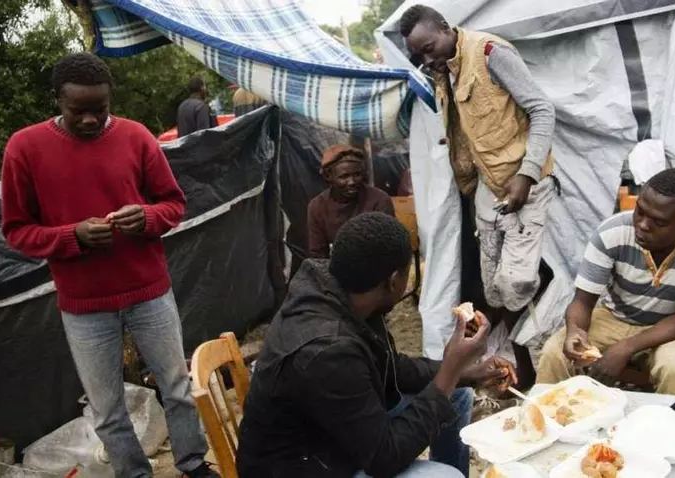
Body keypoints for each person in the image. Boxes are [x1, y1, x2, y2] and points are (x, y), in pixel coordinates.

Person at [0, 53, 217, 478]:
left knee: (176, 386)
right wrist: (72, 236)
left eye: (100, 108)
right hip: (84, 304)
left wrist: (147, 217)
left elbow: (173, 204)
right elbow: (17, 231)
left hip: (149, 291)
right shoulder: (24, 149)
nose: (90, 119)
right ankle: (133, 473)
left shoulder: (135, 136)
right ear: (57, 100)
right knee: (106, 407)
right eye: (77, 110)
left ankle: (193, 463)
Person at [237, 212, 516, 478]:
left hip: (329, 434)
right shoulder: (328, 351)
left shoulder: (347, 292)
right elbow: (384, 457)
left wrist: (466, 372)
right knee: (447, 476)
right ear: (393, 281)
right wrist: (450, 371)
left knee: (457, 394)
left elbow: (393, 368)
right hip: (301, 466)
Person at [400, 5, 558, 387]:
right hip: (487, 190)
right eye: (419, 56)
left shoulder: (490, 53)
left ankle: (541, 358)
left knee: (517, 283)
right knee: (493, 288)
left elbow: (542, 109)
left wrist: (527, 173)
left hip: (523, 185)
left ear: (445, 28)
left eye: (429, 48)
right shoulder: (443, 72)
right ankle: (520, 364)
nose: (427, 60)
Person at [536, 168, 675, 397]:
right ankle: (549, 418)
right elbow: (583, 302)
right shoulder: (612, 232)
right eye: (640, 211)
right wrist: (575, 330)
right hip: (615, 317)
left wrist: (626, 347)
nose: (643, 225)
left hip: (673, 326)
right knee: (554, 353)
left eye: (659, 222)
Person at [307, 144, 395, 259]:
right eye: (344, 176)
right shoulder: (318, 206)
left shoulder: (379, 200)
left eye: (357, 174)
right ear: (329, 177)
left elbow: (388, 247)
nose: (352, 182)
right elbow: (318, 253)